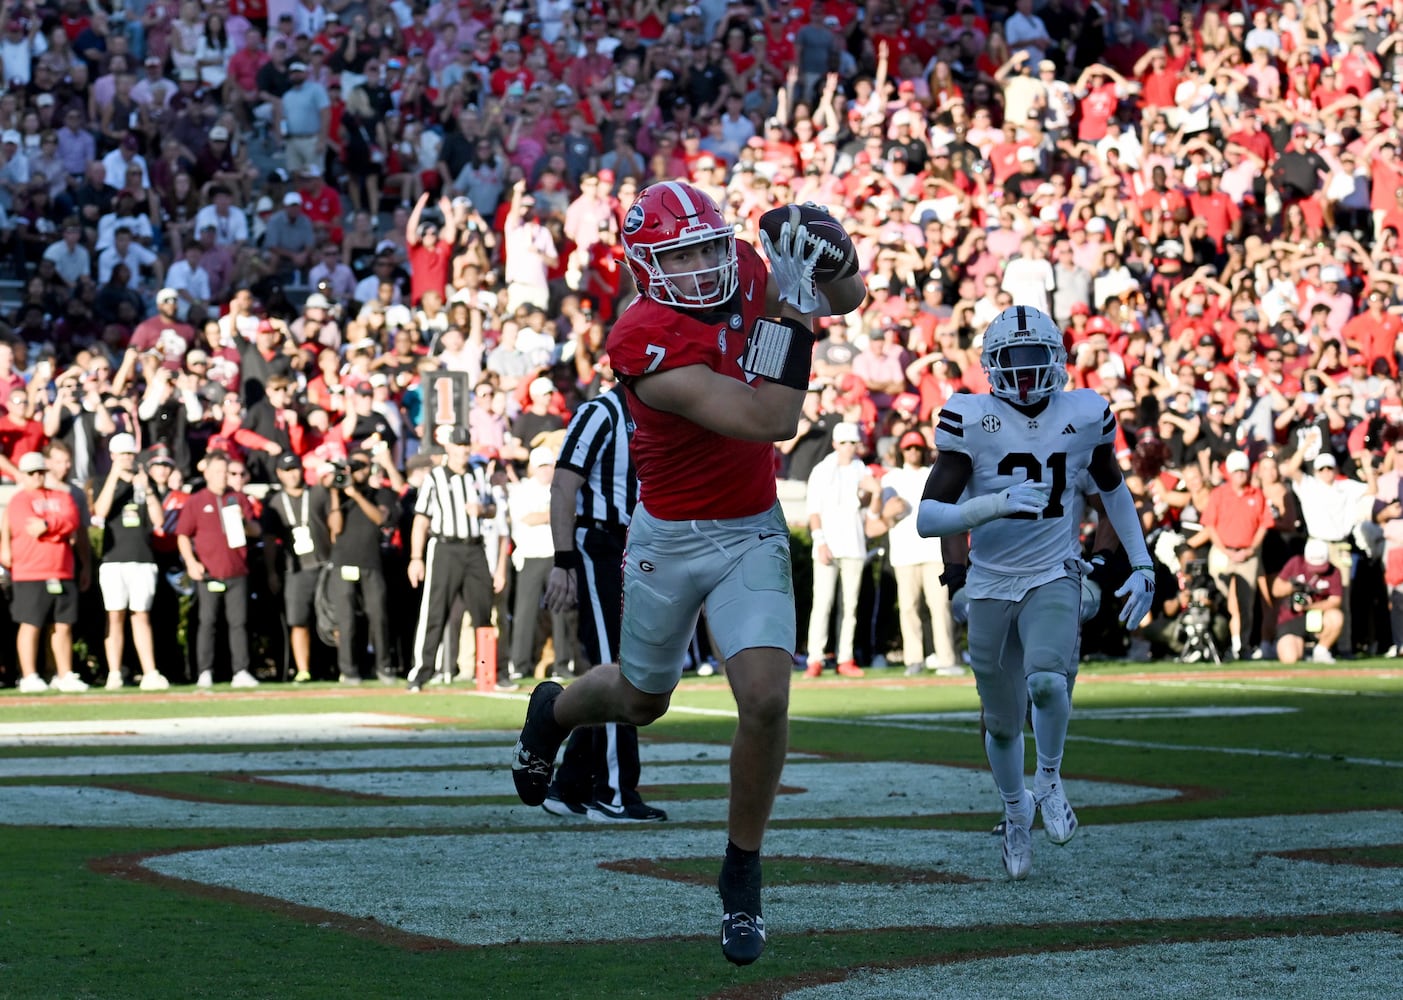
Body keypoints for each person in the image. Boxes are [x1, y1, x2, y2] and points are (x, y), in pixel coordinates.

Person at [511, 182, 866, 966]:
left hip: (749, 528)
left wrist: (827, 256)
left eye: (711, 245)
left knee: (767, 700)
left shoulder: (741, 263)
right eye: (683, 254)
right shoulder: (640, 335)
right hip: (669, 537)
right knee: (643, 700)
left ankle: (741, 868)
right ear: (646, 265)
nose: (706, 264)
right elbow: (768, 418)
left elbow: (850, 295)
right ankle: (555, 709)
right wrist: (793, 310)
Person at [916, 306, 1155, 881]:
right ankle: (1015, 811)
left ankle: (1048, 778)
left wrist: (1142, 563)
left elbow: (1114, 492)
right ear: (991, 367)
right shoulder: (969, 417)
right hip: (992, 580)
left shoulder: (1085, 413)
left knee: (1047, 681)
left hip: (1054, 570)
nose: (1024, 373)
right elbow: (928, 518)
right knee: (1000, 722)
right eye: (1011, 361)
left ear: (1058, 360)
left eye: (1034, 358)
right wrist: (995, 503)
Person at [540, 385, 667, 823]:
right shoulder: (601, 412)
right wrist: (564, 560)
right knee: (619, 668)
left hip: (635, 546)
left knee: (620, 664)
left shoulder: (658, 409)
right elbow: (563, 485)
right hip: (599, 542)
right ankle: (614, 792)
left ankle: (571, 784)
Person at [405, 427, 505, 692]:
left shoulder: (478, 474)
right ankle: (421, 671)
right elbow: (421, 520)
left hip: (474, 548)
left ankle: (488, 672)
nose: (462, 450)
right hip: (445, 547)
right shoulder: (435, 477)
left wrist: (482, 509)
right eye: (458, 445)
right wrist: (416, 557)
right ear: (448, 447)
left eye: (466, 445)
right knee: (434, 612)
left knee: (483, 611)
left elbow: (493, 509)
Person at [1, 451, 89, 693]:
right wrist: (57, 526)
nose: (37, 476)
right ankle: (29, 675)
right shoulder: (19, 500)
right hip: (30, 570)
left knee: (63, 625)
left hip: (62, 568)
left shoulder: (64, 495)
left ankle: (64, 674)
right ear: (24, 475)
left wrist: (49, 524)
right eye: (32, 473)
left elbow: (71, 519)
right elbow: (29, 527)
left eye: (41, 471)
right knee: (31, 624)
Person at [174, 450, 263, 689]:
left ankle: (241, 670)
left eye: (227, 472)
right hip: (208, 572)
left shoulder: (238, 499)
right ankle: (205, 670)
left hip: (236, 569)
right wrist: (191, 563)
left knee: (239, 622)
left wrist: (243, 523)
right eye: (219, 472)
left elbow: (256, 530)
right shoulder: (197, 500)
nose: (223, 477)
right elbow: (182, 535)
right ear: (207, 474)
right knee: (207, 622)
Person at [91, 433, 169, 690]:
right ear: (113, 456)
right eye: (122, 454)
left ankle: (150, 671)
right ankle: (114, 672)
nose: (126, 458)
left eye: (129, 454)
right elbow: (100, 513)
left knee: (141, 615)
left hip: (142, 558)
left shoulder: (144, 483)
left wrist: (146, 488)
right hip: (114, 560)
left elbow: (158, 521)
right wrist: (114, 475)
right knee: (114, 615)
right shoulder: (104, 481)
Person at [884, 430, 962, 676]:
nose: (913, 452)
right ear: (901, 451)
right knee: (909, 608)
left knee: (940, 608)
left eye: (917, 447)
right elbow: (885, 513)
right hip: (904, 552)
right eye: (909, 448)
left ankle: (947, 659)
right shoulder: (891, 478)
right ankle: (913, 659)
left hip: (932, 551)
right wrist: (888, 507)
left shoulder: (933, 474)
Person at [802, 422, 875, 678]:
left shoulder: (861, 469)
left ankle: (845, 657)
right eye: (844, 443)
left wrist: (870, 491)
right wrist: (819, 541)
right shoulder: (822, 470)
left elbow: (866, 506)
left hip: (854, 544)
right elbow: (814, 510)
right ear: (835, 444)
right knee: (823, 603)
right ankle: (815, 658)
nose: (848, 448)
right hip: (828, 545)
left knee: (850, 606)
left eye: (852, 443)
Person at [327, 447, 399, 684]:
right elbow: (335, 529)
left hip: (370, 561)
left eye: (362, 466)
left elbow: (380, 518)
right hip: (343, 561)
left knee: (378, 616)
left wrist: (356, 494)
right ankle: (348, 670)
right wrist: (337, 494)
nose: (358, 471)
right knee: (346, 619)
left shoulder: (380, 494)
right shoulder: (341, 495)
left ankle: (384, 667)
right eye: (354, 466)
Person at [260, 451, 331, 683]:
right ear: (279, 473)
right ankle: (303, 669)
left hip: (323, 564)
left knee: (332, 618)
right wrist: (271, 572)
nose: (292, 475)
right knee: (298, 620)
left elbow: (333, 525)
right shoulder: (275, 502)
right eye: (287, 470)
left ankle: (338, 666)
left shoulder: (318, 493)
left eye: (295, 469)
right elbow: (269, 541)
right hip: (295, 569)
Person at [505, 445, 573, 682]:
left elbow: (568, 516)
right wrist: (552, 514)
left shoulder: (561, 489)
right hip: (531, 555)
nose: (546, 471)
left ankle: (563, 663)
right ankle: (519, 662)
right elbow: (527, 518)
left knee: (561, 612)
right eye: (542, 467)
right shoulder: (523, 490)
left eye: (549, 466)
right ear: (534, 468)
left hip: (556, 555)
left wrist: (547, 515)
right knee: (525, 612)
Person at [1269, 538, 1344, 664]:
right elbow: (1276, 590)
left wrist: (1309, 606)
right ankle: (1303, 651)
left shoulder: (1333, 571)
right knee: (1290, 658)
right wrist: (1295, 587)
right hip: (1291, 619)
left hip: (1317, 617)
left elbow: (1336, 601)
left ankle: (1321, 650)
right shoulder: (1295, 563)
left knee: (1336, 616)